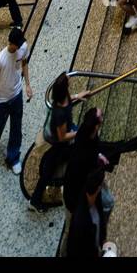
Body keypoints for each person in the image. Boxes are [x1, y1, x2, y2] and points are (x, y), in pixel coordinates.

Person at [29, 72, 97, 212]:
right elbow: (62, 137)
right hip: (59, 144)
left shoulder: (63, 97)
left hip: (64, 140)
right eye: (67, 79)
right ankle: (35, 200)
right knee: (49, 169)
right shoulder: (59, 114)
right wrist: (80, 132)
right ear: (64, 86)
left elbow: (68, 100)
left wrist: (78, 96)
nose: (70, 78)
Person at [0, 26, 32, 175]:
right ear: (11, 43)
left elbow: (24, 63)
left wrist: (27, 85)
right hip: (2, 99)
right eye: (17, 44)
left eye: (20, 44)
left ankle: (13, 157)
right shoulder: (0, 59)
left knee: (16, 126)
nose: (19, 47)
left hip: (17, 94)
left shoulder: (23, 47)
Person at [63, 107, 114, 216]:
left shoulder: (87, 131)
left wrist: (99, 155)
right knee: (108, 202)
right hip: (80, 190)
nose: (102, 114)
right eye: (101, 115)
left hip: (85, 180)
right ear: (96, 126)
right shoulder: (85, 156)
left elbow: (95, 146)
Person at [65, 166, 112, 257]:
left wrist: (102, 240)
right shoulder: (81, 220)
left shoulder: (95, 199)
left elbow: (101, 220)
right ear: (98, 188)